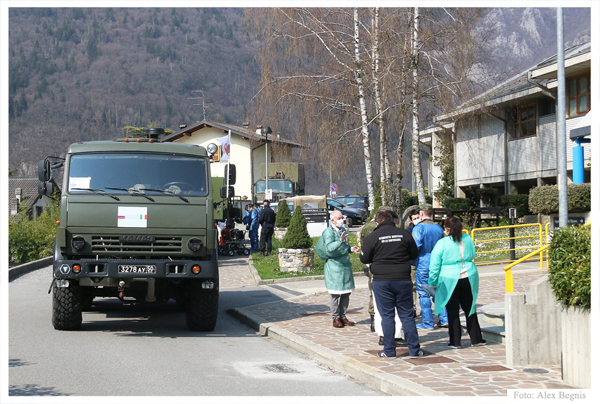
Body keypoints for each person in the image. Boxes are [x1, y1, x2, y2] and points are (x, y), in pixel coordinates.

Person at [361, 210, 423, 359]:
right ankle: (414, 350)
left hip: (382, 280)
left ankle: (389, 351)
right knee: (407, 315)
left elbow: (364, 258)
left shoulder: (373, 237)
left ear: (377, 222)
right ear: (394, 221)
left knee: (387, 316)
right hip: (402, 278)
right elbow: (414, 254)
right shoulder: (404, 234)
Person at [428, 217, 486, 349]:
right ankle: (476, 338)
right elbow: (473, 253)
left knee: (452, 311)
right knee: (470, 308)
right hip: (469, 275)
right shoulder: (467, 238)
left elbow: (435, 265)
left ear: (447, 229)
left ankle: (455, 341)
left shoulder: (442, 243)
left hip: (448, 278)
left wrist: (432, 281)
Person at [321, 210, 360, 328]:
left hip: (345, 265)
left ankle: (343, 316)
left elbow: (345, 246)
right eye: (339, 218)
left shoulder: (343, 230)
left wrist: (350, 249)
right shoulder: (328, 232)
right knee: (335, 294)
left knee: (346, 292)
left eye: (342, 218)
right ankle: (335, 317)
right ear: (332, 220)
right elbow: (329, 248)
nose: (341, 220)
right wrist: (340, 241)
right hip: (334, 266)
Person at [412, 204, 448, 330]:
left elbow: (415, 246)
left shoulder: (419, 228)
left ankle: (427, 322)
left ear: (421, 213)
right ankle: (444, 318)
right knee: (438, 292)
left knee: (424, 293)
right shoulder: (438, 228)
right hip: (437, 264)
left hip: (423, 263)